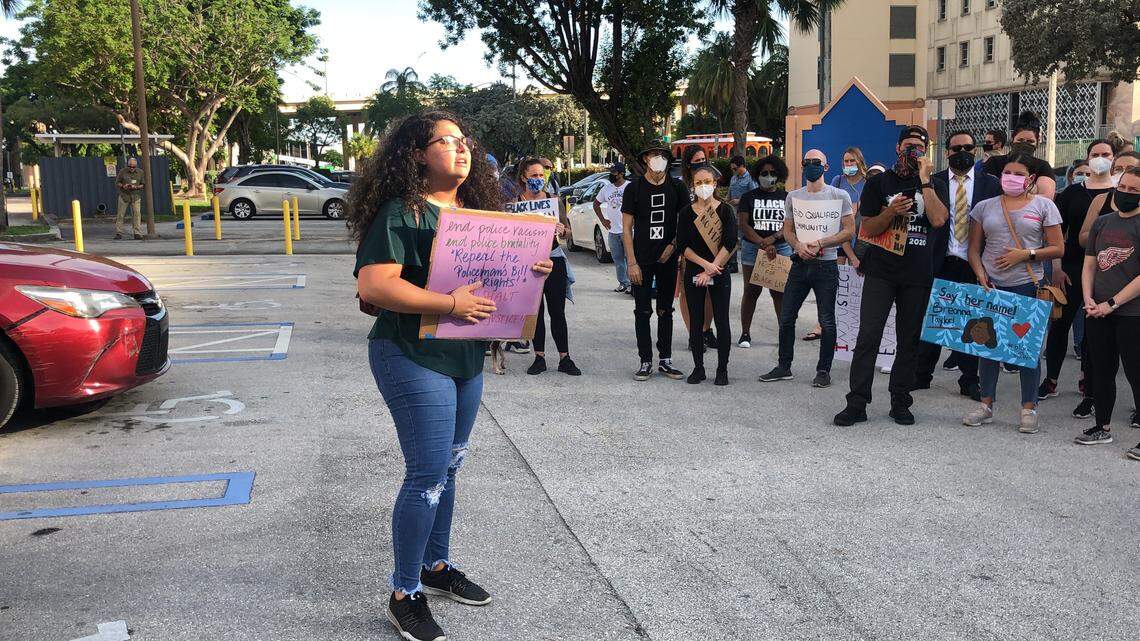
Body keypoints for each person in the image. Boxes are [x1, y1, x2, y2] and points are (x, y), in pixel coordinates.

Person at [350, 110, 554, 641]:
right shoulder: (402, 212)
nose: (461, 149)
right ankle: (404, 594)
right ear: (417, 154)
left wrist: (532, 270)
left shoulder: (480, 216)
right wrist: (449, 303)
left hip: (465, 356)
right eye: (446, 141)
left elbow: (496, 285)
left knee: (449, 468)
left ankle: (435, 567)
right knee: (426, 474)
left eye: (464, 141)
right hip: (410, 354)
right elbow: (374, 285)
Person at [833, 125, 949, 427]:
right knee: (868, 336)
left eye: (919, 146)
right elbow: (867, 229)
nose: (914, 151)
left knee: (908, 340)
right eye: (908, 145)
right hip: (881, 271)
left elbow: (938, 219)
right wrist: (890, 212)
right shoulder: (879, 182)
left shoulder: (936, 183)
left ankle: (900, 400)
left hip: (917, 273)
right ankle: (857, 402)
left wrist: (925, 180)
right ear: (898, 148)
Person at [960, 153, 1065, 433]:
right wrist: (980, 273)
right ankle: (986, 405)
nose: (1012, 178)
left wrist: (1026, 254)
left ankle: (1029, 408)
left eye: (1019, 174)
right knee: (987, 347)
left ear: (1031, 178)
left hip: (1027, 285)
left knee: (1026, 349)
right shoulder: (984, 207)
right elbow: (973, 248)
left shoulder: (1044, 206)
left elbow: (1058, 248)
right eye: (1008, 172)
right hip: (992, 286)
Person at [914, 130, 1001, 400]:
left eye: (967, 147)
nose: (962, 152)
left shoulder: (991, 184)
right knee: (932, 319)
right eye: (956, 148)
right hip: (939, 260)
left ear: (975, 151)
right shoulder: (934, 181)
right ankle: (921, 374)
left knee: (972, 322)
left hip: (975, 264)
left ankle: (969, 379)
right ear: (947, 152)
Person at [759, 149, 854, 388]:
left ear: (826, 167)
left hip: (827, 265)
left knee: (827, 321)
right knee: (786, 317)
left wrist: (821, 243)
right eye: (807, 162)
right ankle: (784, 366)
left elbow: (849, 231)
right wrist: (798, 246)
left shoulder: (839, 195)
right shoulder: (793, 196)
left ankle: (823, 370)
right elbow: (788, 230)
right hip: (800, 264)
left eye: (816, 162)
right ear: (802, 167)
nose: (811, 165)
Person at [1072, 166, 1140, 461]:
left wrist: (1111, 304)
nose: (1125, 193)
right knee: (1101, 370)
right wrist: (1088, 298)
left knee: (1136, 372)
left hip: (1132, 313)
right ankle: (1102, 426)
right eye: (1122, 187)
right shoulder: (1102, 222)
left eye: (1133, 190)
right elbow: (1090, 264)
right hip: (1097, 310)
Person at [1039, 141, 1115, 404]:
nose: (1100, 158)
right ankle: (1051, 380)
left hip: (1106, 271)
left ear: (1114, 158)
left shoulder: (1121, 192)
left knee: (1093, 331)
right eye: (1096, 154)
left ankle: (1087, 381)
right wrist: (1056, 269)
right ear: (1087, 157)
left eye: (1106, 154)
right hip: (1071, 267)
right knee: (1059, 326)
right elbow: (1056, 234)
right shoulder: (1072, 192)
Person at [622, 142, 691, 381]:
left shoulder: (677, 187)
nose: (658, 159)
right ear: (645, 159)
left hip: (668, 260)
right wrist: (631, 262)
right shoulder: (634, 188)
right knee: (642, 311)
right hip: (642, 259)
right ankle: (645, 361)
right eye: (653, 155)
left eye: (662, 155)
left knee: (665, 310)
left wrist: (673, 246)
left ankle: (665, 359)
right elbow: (626, 228)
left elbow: (686, 223)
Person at [514, 158, 581, 377]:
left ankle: (565, 358)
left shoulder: (554, 200)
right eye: (534, 175)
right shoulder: (515, 203)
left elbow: (568, 231)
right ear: (524, 177)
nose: (538, 179)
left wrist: (563, 230)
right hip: (528, 264)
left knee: (557, 311)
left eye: (541, 175)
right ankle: (539, 357)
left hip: (553, 260)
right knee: (536, 312)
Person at [676, 164, 738, 385]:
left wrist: (712, 268)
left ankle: (722, 370)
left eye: (707, 182)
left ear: (715, 184)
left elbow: (730, 242)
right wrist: (705, 267)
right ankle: (698, 368)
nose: (703, 186)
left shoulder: (725, 210)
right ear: (692, 186)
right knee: (696, 322)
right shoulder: (686, 213)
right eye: (698, 183)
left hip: (719, 271)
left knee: (721, 320)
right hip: (695, 271)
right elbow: (683, 246)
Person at [736, 155, 791, 347]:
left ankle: (784, 335)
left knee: (779, 292)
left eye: (772, 173)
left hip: (781, 247)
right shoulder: (748, 197)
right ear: (757, 175)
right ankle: (745, 334)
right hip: (753, 248)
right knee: (751, 290)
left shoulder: (786, 197)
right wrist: (763, 243)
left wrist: (773, 239)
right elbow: (743, 224)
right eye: (764, 173)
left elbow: (789, 224)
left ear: (779, 175)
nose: (768, 176)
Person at [679, 145, 717, 349]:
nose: (702, 162)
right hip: (688, 246)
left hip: (710, 245)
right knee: (687, 292)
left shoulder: (711, 180)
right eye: (697, 160)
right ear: (688, 164)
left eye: (703, 159)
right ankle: (693, 334)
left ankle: (706, 330)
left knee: (709, 290)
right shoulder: (681, 186)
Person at [983, 111, 1056, 200]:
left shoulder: (1043, 167)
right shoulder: (994, 162)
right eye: (1020, 140)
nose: (1024, 144)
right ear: (1012, 140)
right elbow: (986, 191)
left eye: (1030, 141)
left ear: (1037, 144)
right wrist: (1031, 190)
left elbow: (1045, 198)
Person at [594, 162, 631, 293]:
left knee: (630, 258)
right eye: (611, 172)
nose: (611, 175)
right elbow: (596, 204)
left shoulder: (629, 187)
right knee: (618, 259)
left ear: (621, 173)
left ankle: (632, 284)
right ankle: (623, 283)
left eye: (614, 172)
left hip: (628, 231)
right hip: (613, 231)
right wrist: (603, 220)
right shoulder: (606, 189)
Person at [115, 157, 145, 240]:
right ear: (127, 165)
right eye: (130, 166)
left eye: (133, 166)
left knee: (137, 214)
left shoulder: (140, 172)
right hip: (124, 195)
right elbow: (117, 183)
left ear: (136, 166)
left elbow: (143, 184)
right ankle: (119, 233)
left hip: (135, 196)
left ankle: (137, 233)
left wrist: (136, 187)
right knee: (120, 215)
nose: (131, 168)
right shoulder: (122, 171)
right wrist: (123, 186)